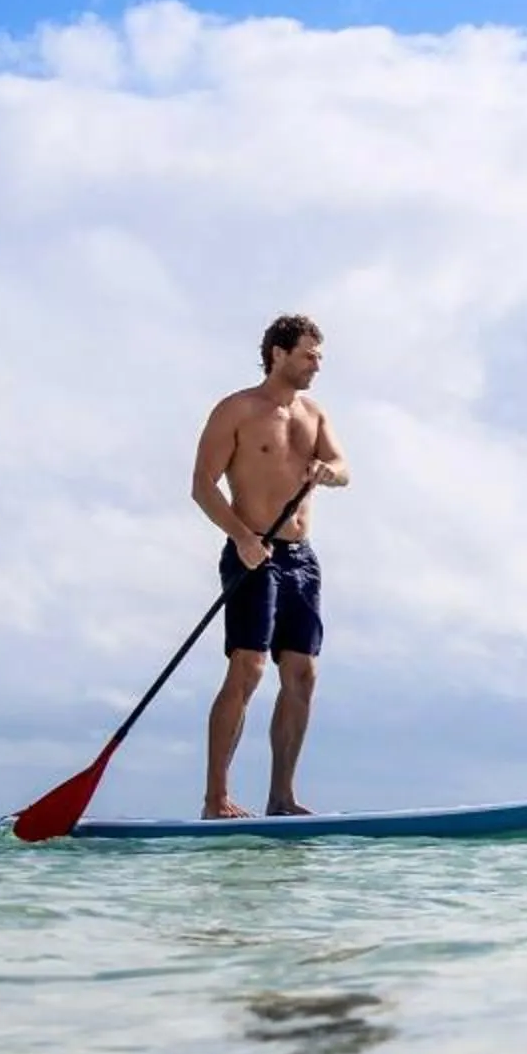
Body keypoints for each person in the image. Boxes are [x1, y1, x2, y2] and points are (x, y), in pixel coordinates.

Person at [190, 314, 349, 817]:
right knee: (249, 667)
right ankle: (216, 798)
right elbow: (202, 485)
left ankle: (282, 797)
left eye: (319, 359)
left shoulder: (314, 414)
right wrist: (241, 538)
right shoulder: (237, 410)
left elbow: (344, 468)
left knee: (302, 674)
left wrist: (330, 470)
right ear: (278, 354)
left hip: (302, 559)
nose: (315, 368)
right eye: (307, 356)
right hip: (251, 553)